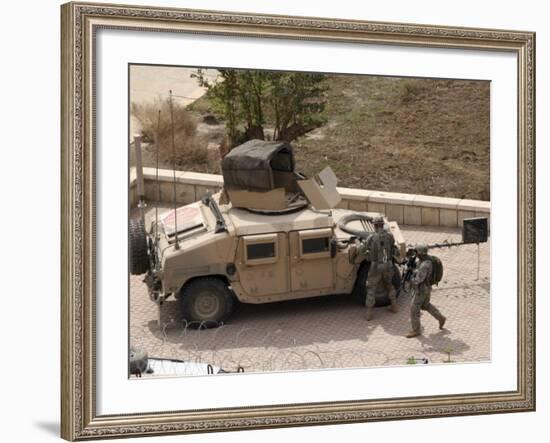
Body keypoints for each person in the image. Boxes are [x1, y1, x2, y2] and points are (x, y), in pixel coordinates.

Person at [406, 244, 446, 338]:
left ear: (420, 253)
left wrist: (410, 280)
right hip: (427, 288)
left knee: (414, 309)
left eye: (416, 252)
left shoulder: (424, 265)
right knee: (426, 305)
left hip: (421, 290)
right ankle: (441, 318)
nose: (415, 254)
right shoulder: (426, 260)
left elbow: (418, 280)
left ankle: (416, 330)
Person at [364, 216, 398, 321]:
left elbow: (364, 249)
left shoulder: (371, 237)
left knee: (371, 288)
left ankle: (369, 313)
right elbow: (393, 248)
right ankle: (394, 306)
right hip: (388, 264)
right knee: (389, 284)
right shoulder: (389, 236)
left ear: (374, 225)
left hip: (376, 266)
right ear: (382, 225)